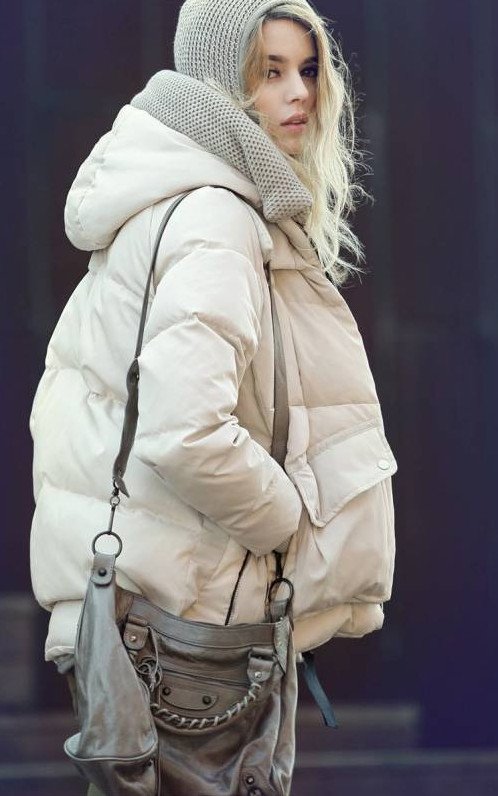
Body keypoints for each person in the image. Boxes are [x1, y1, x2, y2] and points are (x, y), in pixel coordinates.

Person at [29, 0, 397, 789]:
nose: (300, 93)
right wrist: (287, 521)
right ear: (220, 83)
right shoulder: (216, 219)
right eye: (269, 71)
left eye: (308, 70)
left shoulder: (167, 199)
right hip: (189, 631)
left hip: (146, 614)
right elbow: (185, 431)